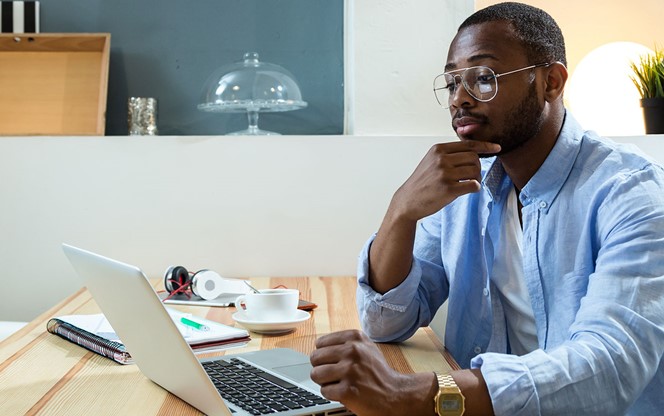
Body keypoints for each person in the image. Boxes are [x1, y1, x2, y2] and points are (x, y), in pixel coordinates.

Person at [309, 2, 664, 416]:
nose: (460, 98)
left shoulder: (632, 194)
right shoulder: (466, 180)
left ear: (551, 82)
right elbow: (388, 321)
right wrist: (401, 209)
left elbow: (607, 366)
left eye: (483, 78)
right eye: (453, 82)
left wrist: (409, 393)